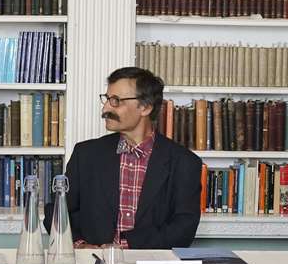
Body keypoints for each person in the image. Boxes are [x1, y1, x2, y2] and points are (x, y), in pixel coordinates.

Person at [60, 65, 200, 248]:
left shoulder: (185, 162)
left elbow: (183, 229)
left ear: (145, 107)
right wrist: (80, 245)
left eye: (116, 101)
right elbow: (57, 212)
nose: (106, 108)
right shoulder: (85, 155)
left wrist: (125, 247)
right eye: (107, 99)